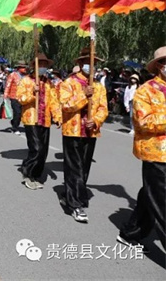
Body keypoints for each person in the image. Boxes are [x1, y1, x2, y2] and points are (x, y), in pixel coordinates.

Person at [117, 46, 166, 251]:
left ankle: (131, 232)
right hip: (156, 152)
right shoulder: (146, 90)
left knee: (151, 193)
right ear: (159, 66)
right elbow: (143, 121)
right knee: (163, 200)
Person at [58, 46, 108, 223]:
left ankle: (72, 193)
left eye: (93, 64)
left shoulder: (99, 87)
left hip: (90, 131)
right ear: (80, 63)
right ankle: (75, 204)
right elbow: (65, 105)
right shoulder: (69, 83)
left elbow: (103, 108)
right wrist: (83, 96)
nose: (90, 66)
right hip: (72, 131)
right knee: (74, 167)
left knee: (84, 167)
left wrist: (95, 120)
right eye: (87, 63)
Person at [16, 54, 61, 190]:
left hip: (45, 120)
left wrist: (57, 116)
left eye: (44, 65)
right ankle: (28, 174)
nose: (42, 68)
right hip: (31, 119)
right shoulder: (26, 81)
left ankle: (36, 174)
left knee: (43, 151)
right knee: (36, 148)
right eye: (40, 65)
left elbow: (54, 101)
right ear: (34, 66)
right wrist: (32, 93)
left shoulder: (48, 83)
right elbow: (20, 98)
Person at [4, 61, 27, 135]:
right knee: (17, 112)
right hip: (14, 96)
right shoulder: (13, 75)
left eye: (25, 67)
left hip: (23, 97)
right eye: (23, 67)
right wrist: (5, 94)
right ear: (19, 68)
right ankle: (15, 127)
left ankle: (14, 121)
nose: (25, 69)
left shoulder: (26, 76)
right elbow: (8, 84)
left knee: (21, 113)